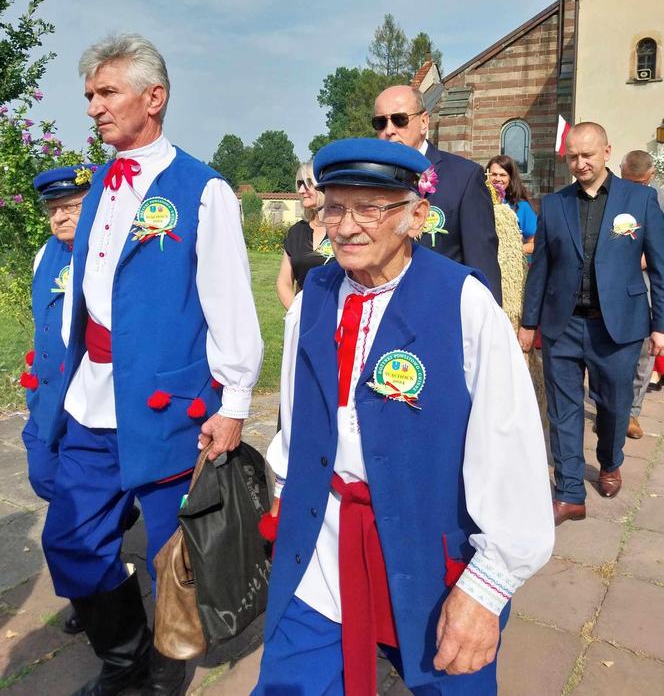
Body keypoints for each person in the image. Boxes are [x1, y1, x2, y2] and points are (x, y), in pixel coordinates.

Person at [254, 138, 554, 694]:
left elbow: (512, 452)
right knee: (289, 682)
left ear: (417, 215)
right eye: (333, 206)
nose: (344, 227)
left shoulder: (463, 303)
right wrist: (283, 498)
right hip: (323, 549)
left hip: (429, 556)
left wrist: (486, 589)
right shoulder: (314, 294)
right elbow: (295, 424)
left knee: (448, 681)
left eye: (369, 208)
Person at [40, 34, 263, 696]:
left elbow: (229, 298)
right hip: (93, 395)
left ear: (154, 96)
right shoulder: (102, 181)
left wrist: (235, 400)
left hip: (168, 407)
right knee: (71, 538)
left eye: (106, 93)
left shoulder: (203, 189)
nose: (94, 108)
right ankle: (123, 654)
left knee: (175, 558)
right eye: (90, 95)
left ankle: (165, 672)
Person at [519, 123, 664, 527]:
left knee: (613, 407)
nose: (580, 164)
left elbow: (661, 267)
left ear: (606, 152)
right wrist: (530, 323)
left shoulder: (641, 199)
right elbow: (541, 269)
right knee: (563, 411)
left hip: (618, 329)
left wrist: (660, 325)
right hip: (562, 325)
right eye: (572, 157)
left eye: (587, 155)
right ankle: (569, 492)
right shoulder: (554, 205)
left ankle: (610, 461)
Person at [20, 165, 94, 636]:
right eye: (53, 209)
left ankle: (90, 599)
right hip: (46, 397)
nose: (61, 217)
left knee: (73, 509)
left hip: (87, 397)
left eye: (71, 207)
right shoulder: (44, 254)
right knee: (42, 475)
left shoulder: (103, 256)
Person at [373, 85, 502, 303]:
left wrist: (488, 327)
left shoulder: (464, 177)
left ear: (424, 122)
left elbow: (482, 264)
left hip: (442, 308)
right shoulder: (371, 180)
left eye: (399, 120)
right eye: (380, 122)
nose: (389, 130)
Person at [620, 150, 664, 439]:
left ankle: (632, 412)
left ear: (650, 178)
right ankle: (611, 407)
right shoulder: (612, 195)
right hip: (613, 282)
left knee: (645, 352)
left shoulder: (659, 199)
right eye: (628, 182)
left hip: (646, 282)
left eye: (640, 183)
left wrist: (646, 258)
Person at [276, 161, 329, 309]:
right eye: (299, 184)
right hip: (304, 318)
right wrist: (299, 315)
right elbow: (284, 282)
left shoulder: (342, 230)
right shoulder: (296, 232)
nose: (300, 190)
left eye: (307, 184)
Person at [486, 155, 537, 257]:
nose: (497, 178)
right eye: (494, 174)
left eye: (503, 175)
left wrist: (510, 252)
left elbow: (535, 243)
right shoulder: (478, 203)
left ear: (510, 178)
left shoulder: (522, 207)